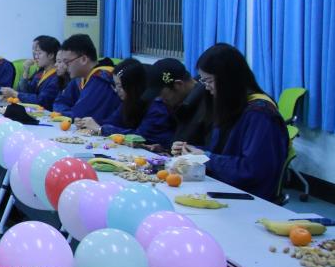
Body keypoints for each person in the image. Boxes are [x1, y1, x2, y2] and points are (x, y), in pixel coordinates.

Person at [172, 43, 287, 199]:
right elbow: (223, 153)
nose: (207, 88)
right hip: (222, 186)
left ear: (228, 79)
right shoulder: (233, 106)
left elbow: (253, 170)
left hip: (249, 198)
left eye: (209, 81)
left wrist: (206, 158)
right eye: (204, 82)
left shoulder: (260, 115)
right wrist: (192, 151)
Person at [76, 59, 175, 149]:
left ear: (132, 87)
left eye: (120, 86)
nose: (116, 90)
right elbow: (112, 122)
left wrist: (101, 129)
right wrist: (88, 123)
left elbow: (139, 137)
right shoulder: (128, 101)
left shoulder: (157, 107)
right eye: (115, 85)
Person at [143, 57, 212, 147]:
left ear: (178, 85)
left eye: (162, 95)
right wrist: (165, 150)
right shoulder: (182, 104)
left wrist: (189, 151)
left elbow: (211, 150)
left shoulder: (209, 105)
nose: (161, 100)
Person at [52, 34, 120, 123]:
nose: (65, 66)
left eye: (67, 62)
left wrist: (67, 114)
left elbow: (81, 116)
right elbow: (59, 102)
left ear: (83, 59)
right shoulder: (79, 77)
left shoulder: (101, 79)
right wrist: (71, 115)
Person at [0, 35, 63, 110]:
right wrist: (26, 71)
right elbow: (25, 91)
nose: (35, 57)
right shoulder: (41, 72)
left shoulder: (57, 76)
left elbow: (42, 100)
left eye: (39, 53)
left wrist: (15, 94)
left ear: (51, 55)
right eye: (35, 53)